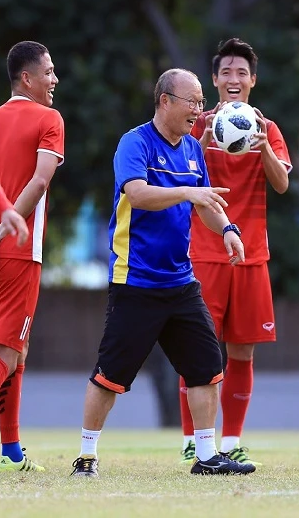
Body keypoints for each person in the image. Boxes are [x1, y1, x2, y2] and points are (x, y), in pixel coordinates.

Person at [71, 68, 255, 478]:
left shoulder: (192, 149)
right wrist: (188, 192)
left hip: (181, 283)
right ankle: (86, 456)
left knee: (207, 366)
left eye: (202, 103)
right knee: (110, 376)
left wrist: (227, 229)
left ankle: (206, 457)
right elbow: (137, 194)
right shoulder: (133, 143)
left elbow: (206, 204)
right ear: (165, 100)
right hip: (135, 282)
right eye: (192, 101)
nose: (199, 110)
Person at [177, 38, 292, 465]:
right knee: (197, 348)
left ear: (253, 81)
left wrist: (262, 148)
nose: (233, 79)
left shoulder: (268, 129)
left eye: (241, 72)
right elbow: (175, 181)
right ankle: (193, 439)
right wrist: (201, 141)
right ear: (214, 79)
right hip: (204, 252)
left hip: (252, 254)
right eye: (226, 71)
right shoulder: (196, 125)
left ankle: (231, 441)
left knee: (243, 350)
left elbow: (281, 184)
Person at [0, 40, 64, 473]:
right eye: (49, 72)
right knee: (4, 358)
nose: (54, 80)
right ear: (27, 77)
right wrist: (4, 229)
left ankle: (10, 452)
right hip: (19, 253)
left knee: (11, 356)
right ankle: (8, 450)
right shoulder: (50, 119)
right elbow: (40, 181)